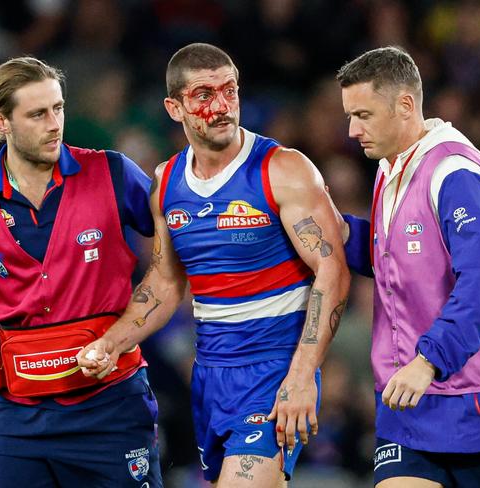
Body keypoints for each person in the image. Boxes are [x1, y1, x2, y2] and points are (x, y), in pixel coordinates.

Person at [78, 42, 350, 487]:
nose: (222, 106)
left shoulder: (282, 169)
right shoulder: (166, 182)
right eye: (204, 95)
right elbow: (166, 283)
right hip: (210, 378)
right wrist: (112, 342)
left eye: (230, 91)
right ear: (174, 107)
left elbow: (332, 270)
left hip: (274, 372)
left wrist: (302, 375)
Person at [0, 56, 163, 487]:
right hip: (15, 418)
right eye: (38, 114)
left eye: (58, 108)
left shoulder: (113, 173)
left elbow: (180, 248)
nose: (54, 123)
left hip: (111, 410)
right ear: (0, 122)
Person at [336, 46, 480, 487]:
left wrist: (429, 360)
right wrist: (337, 232)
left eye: (363, 115)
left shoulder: (456, 174)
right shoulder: (390, 167)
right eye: (349, 116)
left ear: (405, 105)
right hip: (411, 396)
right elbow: (399, 261)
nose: (353, 130)